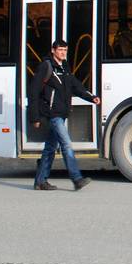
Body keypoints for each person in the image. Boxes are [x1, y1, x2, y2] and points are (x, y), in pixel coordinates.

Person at [29, 39, 101, 191]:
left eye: (65, 50)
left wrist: (91, 97)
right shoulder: (46, 66)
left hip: (61, 113)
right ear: (53, 50)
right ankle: (77, 179)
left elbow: (75, 86)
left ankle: (40, 181)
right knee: (66, 144)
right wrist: (34, 117)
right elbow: (33, 91)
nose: (63, 53)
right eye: (60, 50)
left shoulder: (65, 67)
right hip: (52, 114)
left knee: (50, 148)